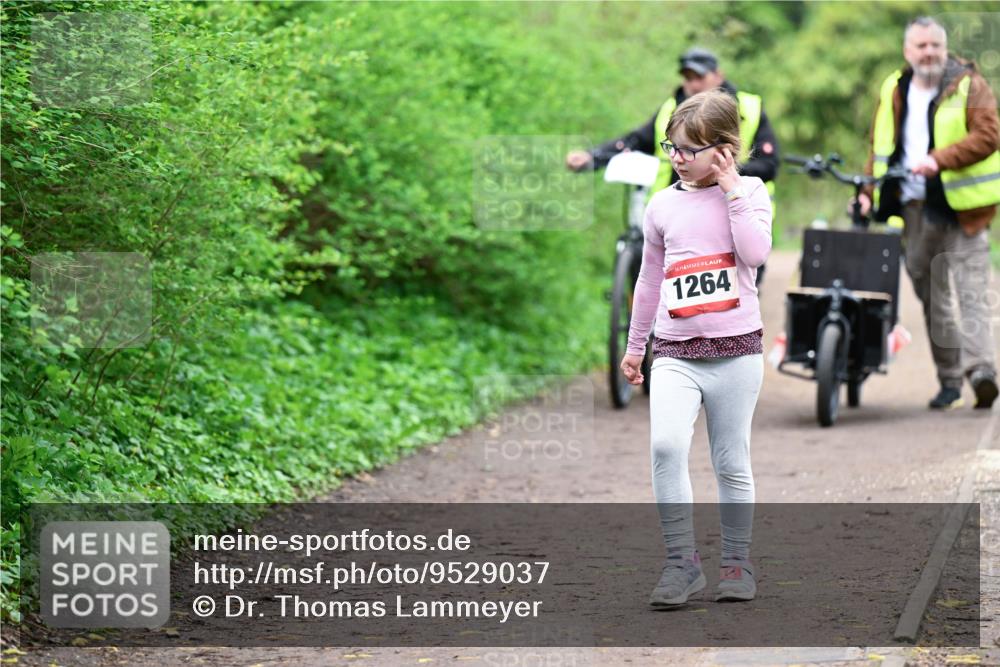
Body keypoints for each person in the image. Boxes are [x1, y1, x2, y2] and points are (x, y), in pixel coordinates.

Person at [619, 90, 772, 605]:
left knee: (731, 460)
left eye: (689, 149)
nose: (678, 158)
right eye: (672, 147)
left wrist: (732, 191)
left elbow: (755, 253)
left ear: (723, 150)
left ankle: (736, 563)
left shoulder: (751, 191)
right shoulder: (662, 205)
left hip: (737, 351)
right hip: (676, 352)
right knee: (666, 446)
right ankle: (681, 564)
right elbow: (649, 279)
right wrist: (636, 345)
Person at [857, 16, 999, 410]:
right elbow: (879, 146)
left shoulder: (969, 84)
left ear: (945, 48)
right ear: (908, 51)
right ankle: (950, 382)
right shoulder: (894, 88)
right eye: (921, 46)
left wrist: (939, 159)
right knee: (933, 298)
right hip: (916, 210)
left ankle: (982, 372)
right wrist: (868, 191)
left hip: (965, 211)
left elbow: (990, 134)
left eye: (935, 45)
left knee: (971, 293)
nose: (929, 53)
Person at [565, 48, 779, 286]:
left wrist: (721, 173)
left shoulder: (750, 107)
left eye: (700, 77)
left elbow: (769, 165)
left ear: (718, 75)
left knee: (742, 285)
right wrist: (592, 157)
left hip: (734, 210)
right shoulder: (670, 109)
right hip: (675, 210)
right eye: (687, 78)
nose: (693, 85)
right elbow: (634, 141)